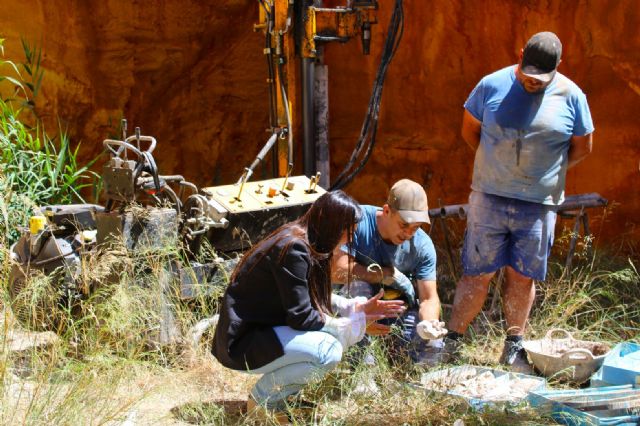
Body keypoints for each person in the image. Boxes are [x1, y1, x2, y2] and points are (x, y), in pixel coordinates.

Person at [446, 31, 594, 371]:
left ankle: (514, 346)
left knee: (522, 276)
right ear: (521, 54)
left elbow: (583, 146)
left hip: (538, 205)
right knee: (476, 273)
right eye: (528, 75)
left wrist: (547, 172)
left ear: (560, 65)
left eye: (541, 79)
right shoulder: (490, 85)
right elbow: (470, 130)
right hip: (489, 198)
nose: (533, 82)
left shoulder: (572, 95)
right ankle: (452, 342)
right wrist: (495, 167)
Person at [211, 191, 405, 422]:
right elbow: (302, 317)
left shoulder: (305, 243)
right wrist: (353, 323)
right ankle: (261, 402)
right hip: (242, 344)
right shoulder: (293, 247)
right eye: (348, 231)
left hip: (263, 335)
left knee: (334, 342)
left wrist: (352, 308)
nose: (350, 238)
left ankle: (281, 400)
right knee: (328, 351)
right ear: (333, 225)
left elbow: (307, 294)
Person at [332, 179, 443, 365]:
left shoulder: (423, 246)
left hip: (397, 308)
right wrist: (383, 275)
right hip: (357, 306)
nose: (408, 233)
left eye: (415, 228)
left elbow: (429, 298)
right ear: (386, 211)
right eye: (403, 225)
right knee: (358, 287)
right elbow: (336, 270)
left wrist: (429, 323)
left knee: (431, 343)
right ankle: (360, 370)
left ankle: (417, 381)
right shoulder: (358, 222)